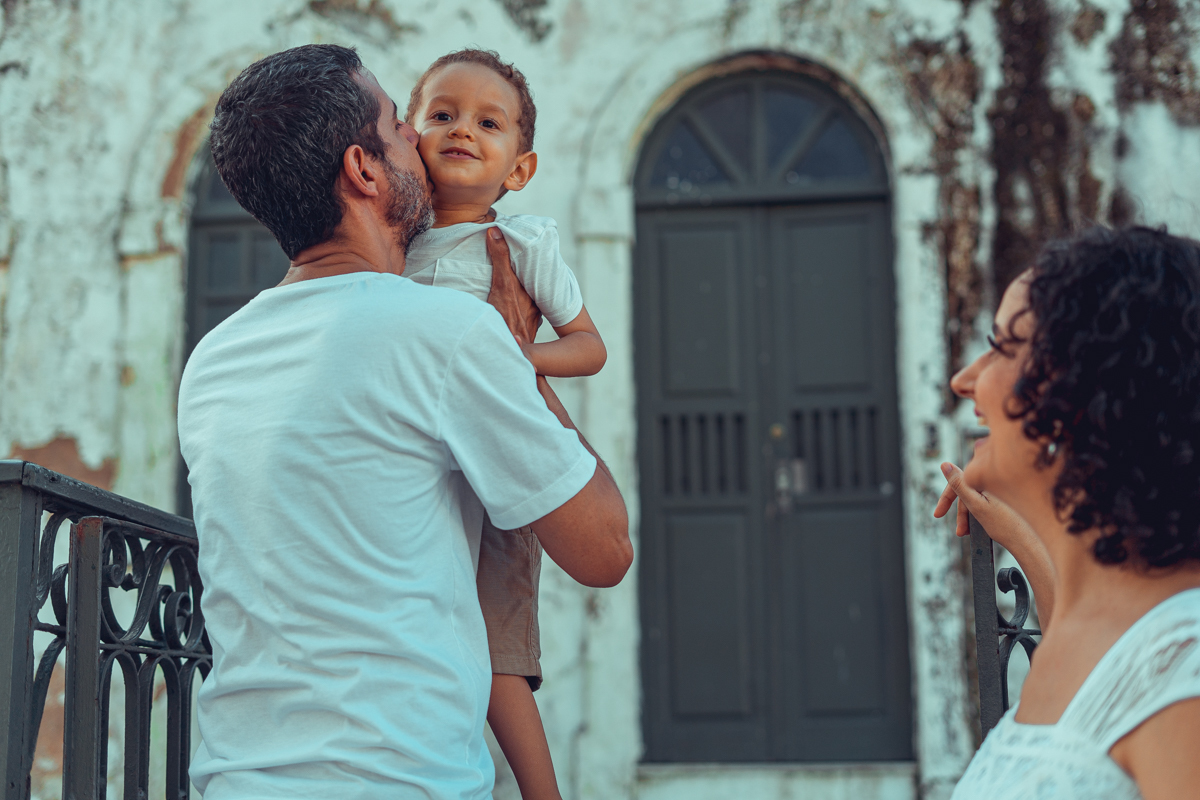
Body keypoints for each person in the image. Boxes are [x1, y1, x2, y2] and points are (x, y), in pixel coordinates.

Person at [177, 43, 632, 800]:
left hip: (233, 778)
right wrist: (520, 355)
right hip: (398, 779)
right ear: (365, 170)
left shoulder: (213, 359)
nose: (429, 149)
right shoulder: (448, 330)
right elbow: (604, 551)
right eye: (404, 126)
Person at [400, 48, 603, 800]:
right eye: (442, 115)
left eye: (489, 123)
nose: (463, 130)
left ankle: (541, 792)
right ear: (408, 138)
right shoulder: (390, 246)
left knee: (496, 644)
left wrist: (517, 357)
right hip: (418, 469)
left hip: (500, 464)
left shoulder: (525, 244)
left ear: (518, 169)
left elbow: (590, 346)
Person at [934, 226, 1200, 799]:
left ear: (1095, 396)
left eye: (1003, 348)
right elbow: (1094, 685)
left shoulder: (1185, 676)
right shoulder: (1107, 636)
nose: (965, 381)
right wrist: (1023, 533)